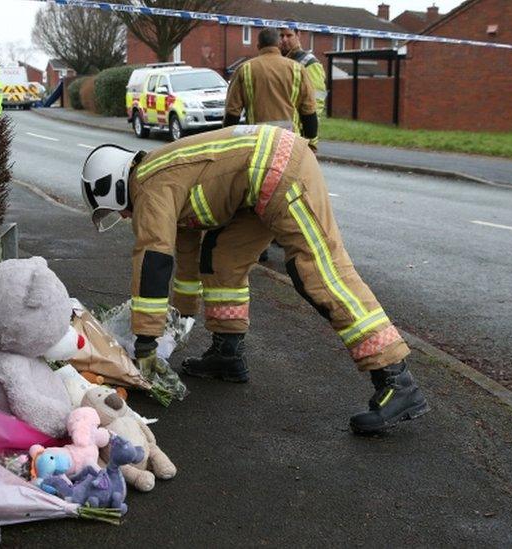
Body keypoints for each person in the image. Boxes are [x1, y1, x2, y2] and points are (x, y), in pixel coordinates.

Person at [79, 126, 430, 434]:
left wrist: (145, 343)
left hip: (280, 171)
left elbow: (153, 259)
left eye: (116, 210)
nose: (123, 216)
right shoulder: (159, 179)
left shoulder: (149, 187)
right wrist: (181, 317)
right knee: (220, 260)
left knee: (319, 273)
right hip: (259, 183)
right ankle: (227, 354)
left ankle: (396, 380)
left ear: (112, 185)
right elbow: (182, 257)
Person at [223, 28, 319, 151]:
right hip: (290, 142)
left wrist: (229, 145)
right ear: (279, 44)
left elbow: (232, 113)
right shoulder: (297, 69)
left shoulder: (244, 69)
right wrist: (311, 145)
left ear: (258, 46)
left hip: (256, 142)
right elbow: (309, 112)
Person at [279, 25, 328, 149]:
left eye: (289, 35)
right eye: (281, 36)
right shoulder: (279, 60)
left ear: (298, 35)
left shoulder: (309, 62)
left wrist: (310, 137)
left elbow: (316, 101)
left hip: (300, 132)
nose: (284, 39)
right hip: (281, 130)